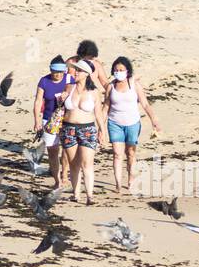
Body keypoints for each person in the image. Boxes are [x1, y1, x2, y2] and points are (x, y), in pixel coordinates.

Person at [103, 56, 162, 193]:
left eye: (121, 69)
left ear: (127, 71)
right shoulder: (111, 87)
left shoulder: (134, 84)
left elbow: (145, 104)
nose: (119, 72)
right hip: (114, 123)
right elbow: (106, 107)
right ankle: (118, 184)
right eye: (116, 70)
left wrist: (154, 120)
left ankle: (130, 179)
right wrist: (101, 127)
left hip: (132, 123)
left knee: (130, 153)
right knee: (117, 154)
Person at [59, 59, 104, 203]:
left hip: (87, 129)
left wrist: (102, 130)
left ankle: (90, 196)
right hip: (68, 128)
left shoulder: (94, 92)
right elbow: (61, 107)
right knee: (73, 163)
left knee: (87, 163)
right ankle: (76, 194)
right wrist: (61, 100)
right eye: (75, 69)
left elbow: (98, 113)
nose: (75, 72)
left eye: (79, 70)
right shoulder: (68, 87)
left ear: (87, 74)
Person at [33, 55, 73, 189]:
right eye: (55, 71)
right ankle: (57, 180)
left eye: (60, 72)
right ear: (50, 70)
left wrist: (66, 93)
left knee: (67, 149)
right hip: (48, 119)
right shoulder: (44, 81)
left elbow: (71, 88)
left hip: (66, 119)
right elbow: (38, 101)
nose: (58, 74)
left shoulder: (69, 79)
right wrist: (37, 121)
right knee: (52, 150)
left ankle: (65, 175)